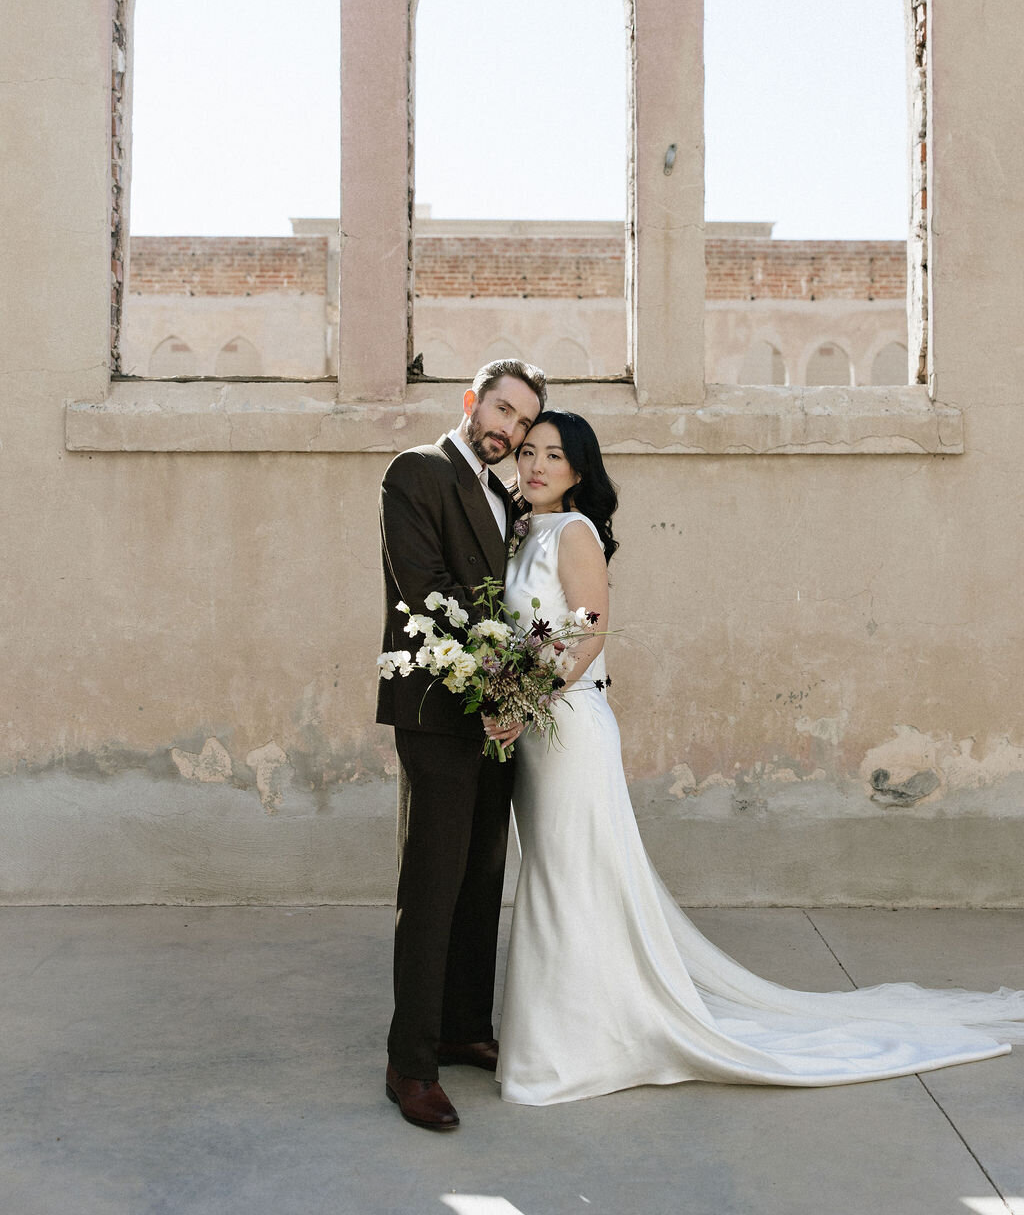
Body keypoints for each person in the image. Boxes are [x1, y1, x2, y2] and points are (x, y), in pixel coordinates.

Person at [493, 409, 1024, 1106]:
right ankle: (576, 1027)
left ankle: (574, 1047)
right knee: (556, 872)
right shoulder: (520, 530)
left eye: (554, 456)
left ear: (579, 470)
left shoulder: (574, 531)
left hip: (566, 724)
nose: (536, 466)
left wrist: (526, 700)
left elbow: (587, 633)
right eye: (528, 452)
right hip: (534, 731)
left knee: (570, 878)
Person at [377, 357, 546, 1130]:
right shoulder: (416, 472)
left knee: (483, 876)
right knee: (433, 884)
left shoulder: (508, 499)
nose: (509, 429)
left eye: (523, 421)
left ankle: (462, 1027)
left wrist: (515, 695)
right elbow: (427, 591)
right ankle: (410, 1063)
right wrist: (497, 683)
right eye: (502, 410)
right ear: (473, 401)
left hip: (497, 714)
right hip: (438, 711)